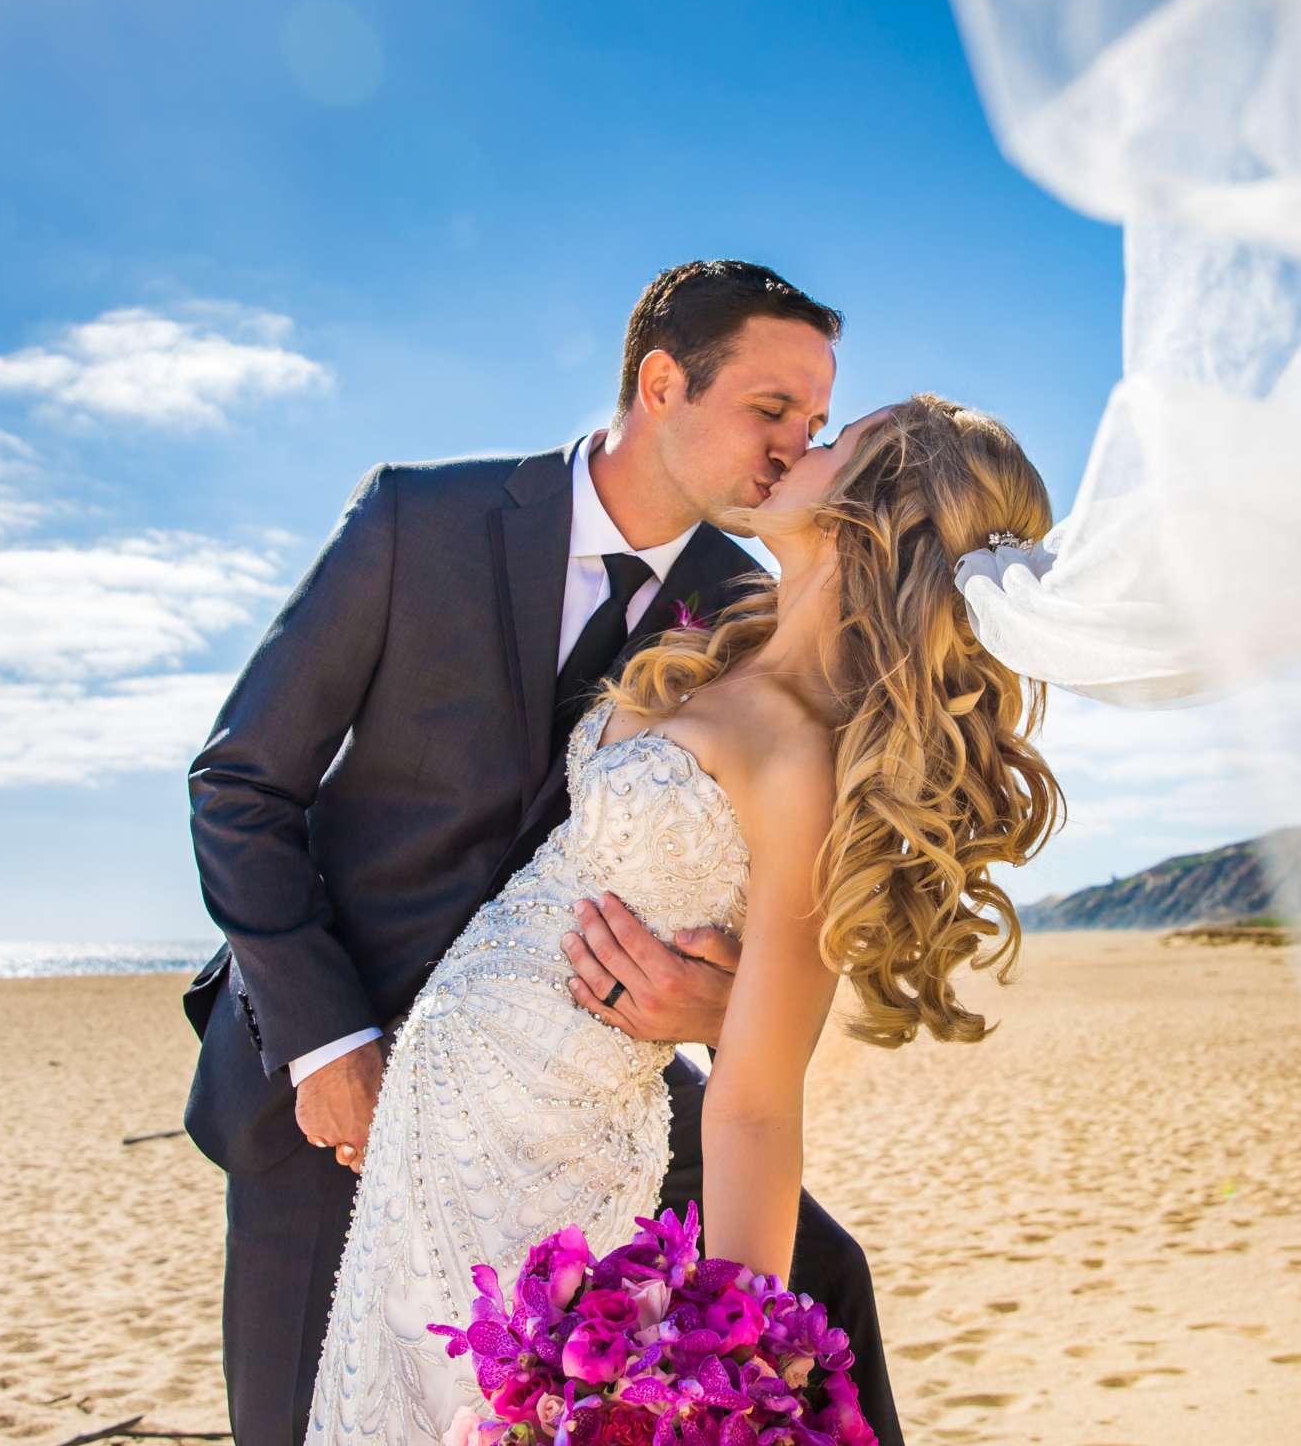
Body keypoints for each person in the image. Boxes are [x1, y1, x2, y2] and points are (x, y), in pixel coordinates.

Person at [182, 261, 910, 1444]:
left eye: (817, 426)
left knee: (824, 1280)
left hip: (580, 1075)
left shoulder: (747, 606)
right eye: (771, 410)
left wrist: (723, 1006)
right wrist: (327, 1042)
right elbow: (240, 784)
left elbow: (771, 886)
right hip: (337, 1080)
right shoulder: (419, 519)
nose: (793, 448)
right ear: (663, 382)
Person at [303, 393, 1062, 1443]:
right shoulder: (721, 648)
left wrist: (726, 1374)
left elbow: (755, 1100)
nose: (804, 441)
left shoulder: (803, 753)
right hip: (436, 1133)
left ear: (880, 513)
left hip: (550, 1150)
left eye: (838, 441)